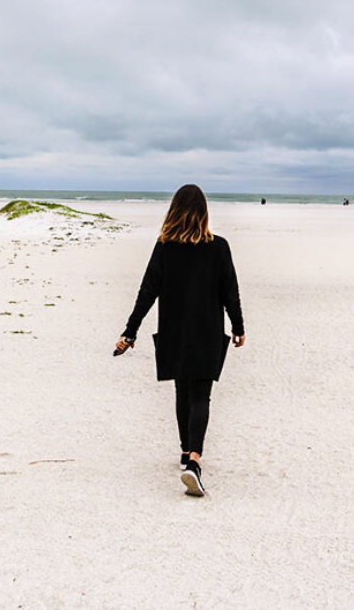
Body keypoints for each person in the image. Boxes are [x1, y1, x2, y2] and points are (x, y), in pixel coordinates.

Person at [114, 184, 245, 497]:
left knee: (182, 390)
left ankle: (187, 453)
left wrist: (130, 332)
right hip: (207, 331)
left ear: (174, 210)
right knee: (201, 395)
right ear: (204, 212)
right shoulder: (219, 247)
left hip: (174, 331)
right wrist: (238, 326)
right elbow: (230, 291)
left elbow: (147, 291)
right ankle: (195, 462)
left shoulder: (165, 247)